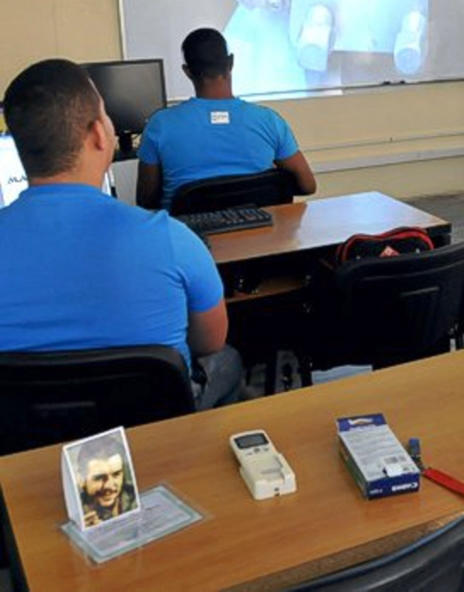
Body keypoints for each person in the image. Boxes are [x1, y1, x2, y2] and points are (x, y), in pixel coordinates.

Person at [0, 59, 243, 409]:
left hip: (26, 449)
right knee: (228, 360)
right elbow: (210, 341)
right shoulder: (172, 240)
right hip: (154, 440)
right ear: (100, 134)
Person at [136, 27, 317, 210]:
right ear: (231, 63)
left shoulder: (160, 125)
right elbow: (308, 185)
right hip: (260, 237)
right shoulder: (269, 120)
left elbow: (146, 201)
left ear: (187, 71)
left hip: (189, 237)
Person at [76, 435, 136, 526]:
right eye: (99, 478)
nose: (110, 486)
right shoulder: (77, 513)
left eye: (116, 474)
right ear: (81, 480)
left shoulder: (134, 497)